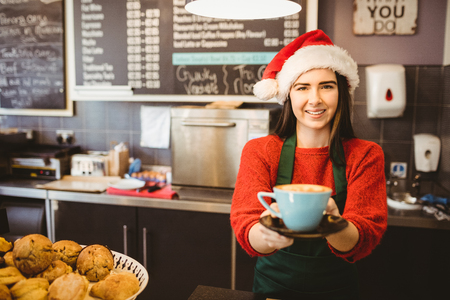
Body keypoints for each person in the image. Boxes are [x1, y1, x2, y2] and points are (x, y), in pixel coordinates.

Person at [230, 29, 387, 299]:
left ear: (342, 92)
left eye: (326, 86)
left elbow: (364, 237)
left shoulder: (365, 155)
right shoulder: (260, 151)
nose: (315, 99)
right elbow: (246, 224)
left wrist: (333, 224)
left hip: (337, 290)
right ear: (289, 95)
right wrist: (268, 234)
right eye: (303, 87)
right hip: (273, 290)